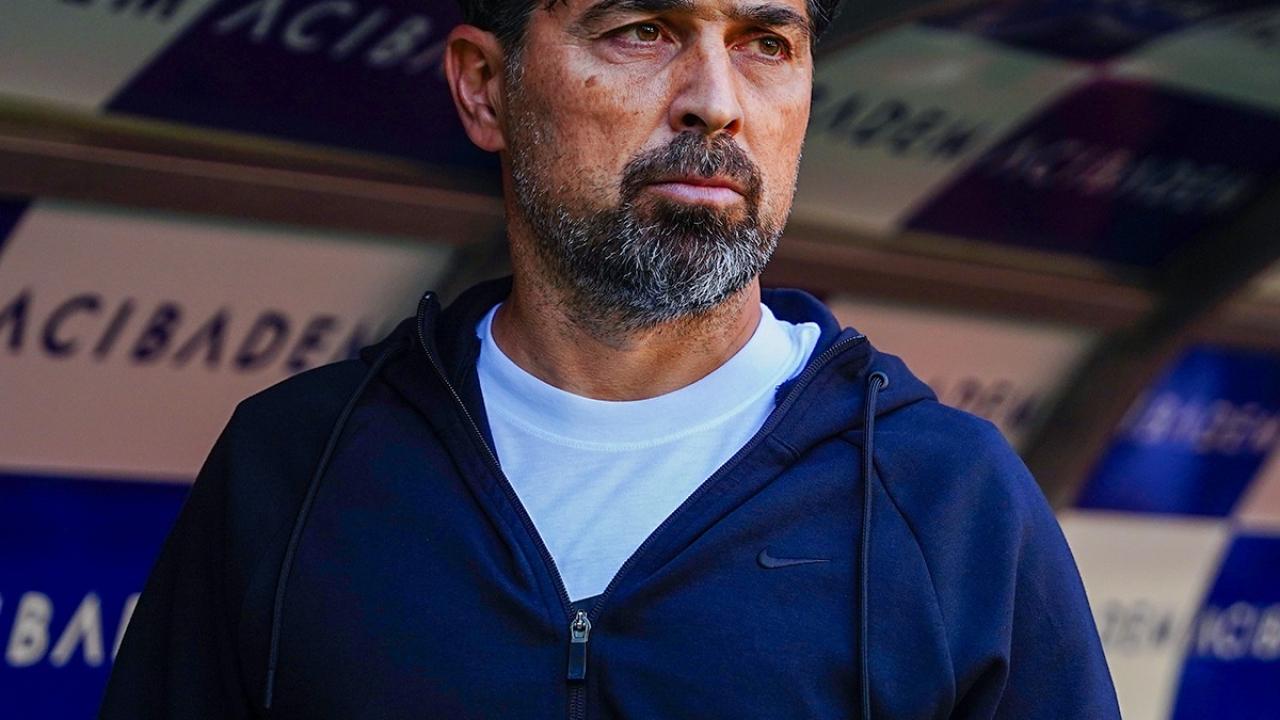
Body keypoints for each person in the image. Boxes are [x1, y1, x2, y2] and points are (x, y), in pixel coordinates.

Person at [99, 0, 1122, 715]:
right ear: (485, 87)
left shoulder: (946, 499)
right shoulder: (295, 462)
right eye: (643, 30)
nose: (716, 100)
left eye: (767, 42)